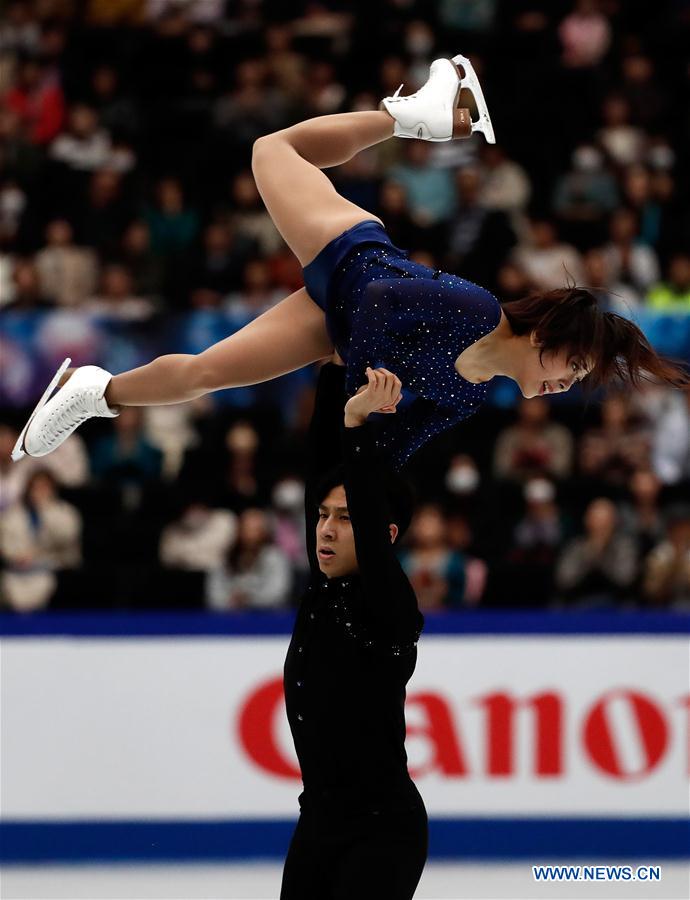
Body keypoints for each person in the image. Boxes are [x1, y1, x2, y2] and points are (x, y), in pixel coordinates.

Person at [13, 56, 689, 470]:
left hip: (333, 321)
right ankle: (412, 115)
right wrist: (361, 373)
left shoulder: (467, 394)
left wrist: (364, 446)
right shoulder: (479, 312)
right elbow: (380, 303)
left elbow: (388, 452)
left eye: (575, 380)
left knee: (204, 375)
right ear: (544, 338)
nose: (563, 386)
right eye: (570, 368)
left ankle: (94, 393)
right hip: (352, 254)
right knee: (270, 151)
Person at [280, 360, 426, 899]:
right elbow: (320, 465)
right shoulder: (322, 586)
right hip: (317, 825)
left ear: (383, 534)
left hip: (382, 833)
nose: (325, 529)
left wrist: (357, 425)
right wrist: (333, 368)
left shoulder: (390, 607)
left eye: (344, 519)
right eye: (322, 516)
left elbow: (364, 504)